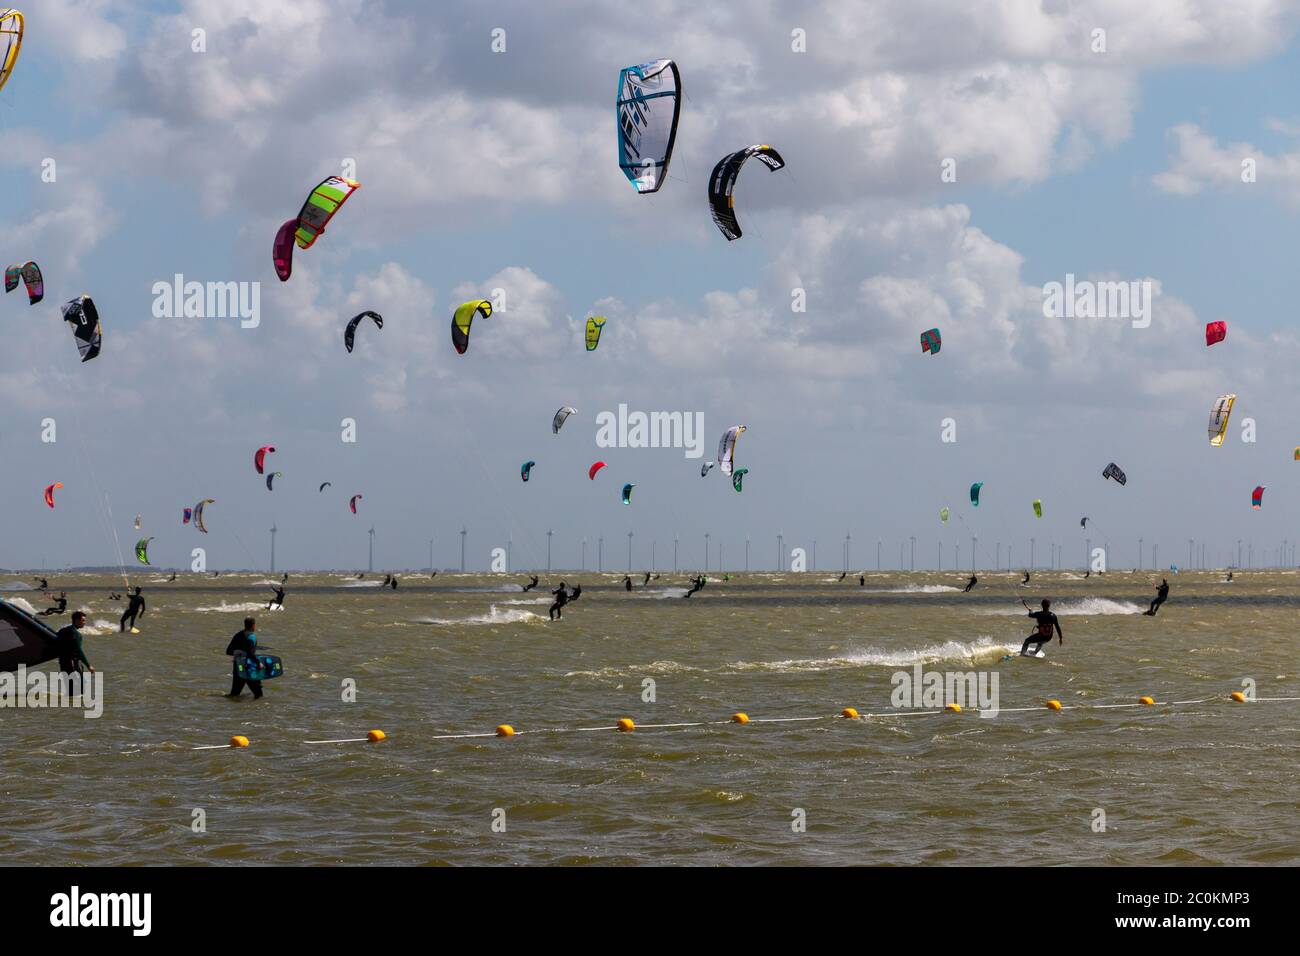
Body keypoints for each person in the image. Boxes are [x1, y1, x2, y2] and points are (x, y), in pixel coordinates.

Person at [226, 616, 263, 699]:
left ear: (245, 625)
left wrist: (238, 652)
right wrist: (258, 663)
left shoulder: (237, 635)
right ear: (253, 625)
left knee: (234, 695)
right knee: (259, 696)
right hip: (249, 668)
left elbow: (228, 651)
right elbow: (250, 654)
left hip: (238, 667)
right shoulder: (252, 637)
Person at [52, 611, 94, 675]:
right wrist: (88, 666)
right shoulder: (76, 634)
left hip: (63, 664)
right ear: (77, 620)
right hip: (74, 665)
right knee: (79, 684)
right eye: (83, 620)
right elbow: (79, 651)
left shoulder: (62, 631)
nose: (84, 623)